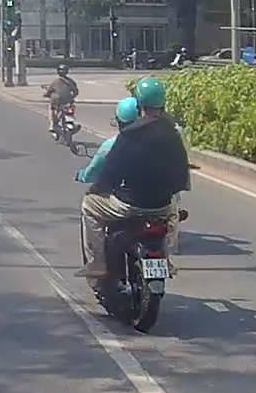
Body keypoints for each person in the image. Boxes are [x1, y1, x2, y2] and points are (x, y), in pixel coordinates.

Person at [77, 76, 190, 280]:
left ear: (139, 105)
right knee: (172, 214)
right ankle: (166, 258)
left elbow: (110, 172)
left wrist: (98, 188)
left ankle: (98, 263)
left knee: (88, 205)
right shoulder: (172, 133)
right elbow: (182, 171)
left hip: (129, 205)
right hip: (162, 205)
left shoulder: (130, 135)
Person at [76, 97, 139, 184]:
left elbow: (92, 172)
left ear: (118, 120)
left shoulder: (111, 145)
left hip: (122, 190)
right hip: (153, 189)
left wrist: (82, 175)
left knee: (93, 193)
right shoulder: (154, 140)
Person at [43, 64, 79, 134]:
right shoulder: (71, 81)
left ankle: (52, 125)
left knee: (52, 109)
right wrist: (72, 97)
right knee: (71, 110)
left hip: (57, 101)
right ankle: (72, 123)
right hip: (68, 101)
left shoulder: (56, 81)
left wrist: (46, 94)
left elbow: (49, 91)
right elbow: (76, 91)